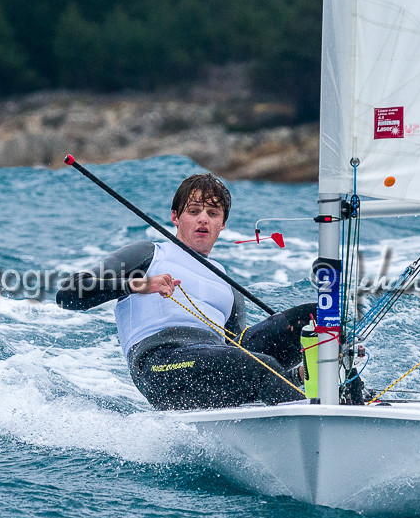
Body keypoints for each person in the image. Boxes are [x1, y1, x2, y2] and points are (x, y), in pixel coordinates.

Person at [57, 173, 316, 409]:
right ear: (175, 217)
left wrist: (291, 374)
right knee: (260, 366)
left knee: (318, 317)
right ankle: (312, 426)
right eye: (194, 211)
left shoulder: (228, 286)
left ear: (222, 224)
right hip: (160, 365)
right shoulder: (150, 254)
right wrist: (141, 285)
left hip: (209, 365)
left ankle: (344, 406)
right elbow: (68, 294)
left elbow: (235, 352)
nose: (203, 218)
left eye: (213, 213)